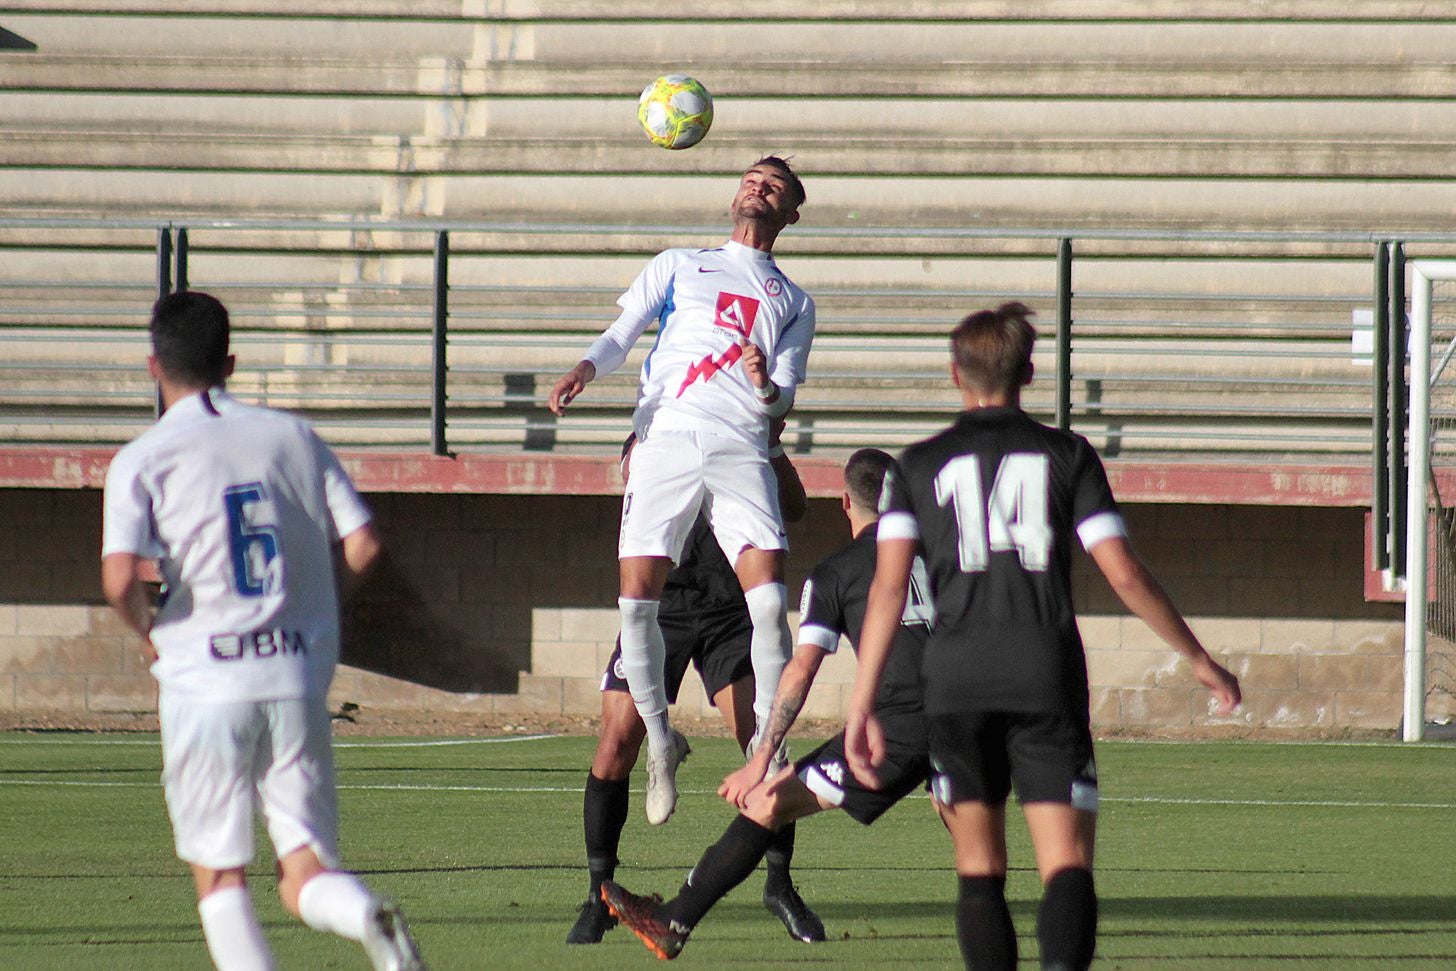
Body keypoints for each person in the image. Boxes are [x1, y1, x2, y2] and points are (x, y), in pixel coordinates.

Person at [843, 302, 1242, 971]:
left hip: (955, 680)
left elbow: (886, 589)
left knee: (979, 867)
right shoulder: (1067, 454)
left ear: (954, 374)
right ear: (1029, 370)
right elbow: (1124, 571)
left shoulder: (913, 466)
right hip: (1043, 671)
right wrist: (1197, 656)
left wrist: (861, 703)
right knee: (1065, 863)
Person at [100, 292, 425, 971]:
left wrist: (148, 629)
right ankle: (364, 912)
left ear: (153, 366)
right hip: (295, 672)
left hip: (204, 679)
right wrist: (318, 610)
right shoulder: (292, 435)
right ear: (232, 362)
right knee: (303, 871)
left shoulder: (144, 455)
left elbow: (119, 577)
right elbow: (363, 543)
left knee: (220, 880)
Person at [548, 156, 815, 826]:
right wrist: (586, 367)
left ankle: (765, 749)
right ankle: (662, 744)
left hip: (740, 443)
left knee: (770, 602)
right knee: (636, 605)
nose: (758, 187)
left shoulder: (795, 300)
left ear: (791, 212)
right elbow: (622, 332)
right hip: (666, 436)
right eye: (752, 178)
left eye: (774, 185)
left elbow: (784, 393)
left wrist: (762, 383)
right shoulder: (678, 263)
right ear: (735, 195)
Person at [601, 448, 934, 960]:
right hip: (972, 710)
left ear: (846, 503)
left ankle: (675, 919)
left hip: (900, 726)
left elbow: (799, 670)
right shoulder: (944, 556)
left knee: (768, 800)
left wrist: (761, 758)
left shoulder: (837, 572)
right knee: (976, 843)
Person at [568, 424, 823, 946]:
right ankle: (598, 894)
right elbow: (632, 480)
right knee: (615, 740)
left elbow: (794, 506)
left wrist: (769, 444)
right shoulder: (659, 420)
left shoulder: (745, 421)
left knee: (765, 743)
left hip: (731, 612)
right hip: (662, 609)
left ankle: (780, 885)